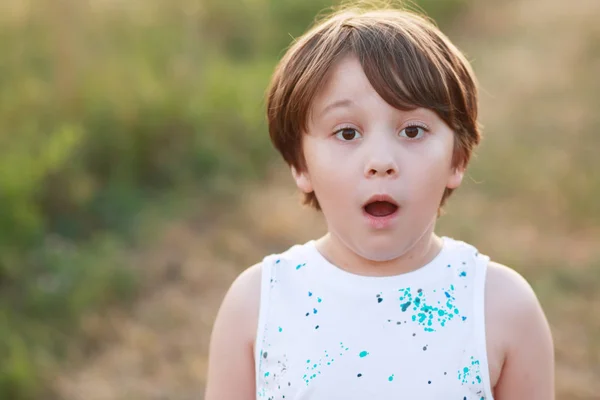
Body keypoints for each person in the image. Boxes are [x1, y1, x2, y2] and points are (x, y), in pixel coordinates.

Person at [204, 3, 555, 399]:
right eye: (348, 133)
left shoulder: (502, 307)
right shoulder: (258, 304)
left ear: (457, 158)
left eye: (412, 130)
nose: (382, 162)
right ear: (301, 164)